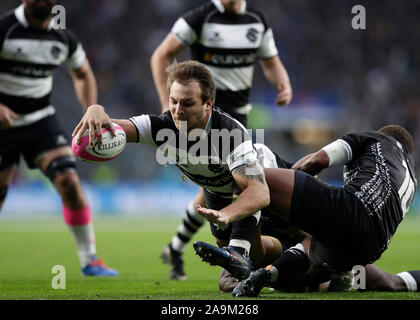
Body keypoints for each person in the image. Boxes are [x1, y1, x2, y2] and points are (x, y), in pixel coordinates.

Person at [73, 60, 272, 281]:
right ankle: (277, 266)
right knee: (240, 275)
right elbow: (117, 128)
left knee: (292, 239)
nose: (177, 111)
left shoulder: (229, 133)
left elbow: (259, 191)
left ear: (208, 103)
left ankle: (294, 257)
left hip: (269, 181)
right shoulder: (161, 126)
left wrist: (227, 214)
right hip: (217, 194)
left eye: (187, 103)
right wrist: (96, 109)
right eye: (173, 101)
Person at [151, 0, 292, 280]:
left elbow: (271, 61)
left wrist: (283, 82)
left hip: (237, 122)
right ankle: (238, 253)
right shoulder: (199, 18)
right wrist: (167, 109)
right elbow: (160, 56)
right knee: (230, 187)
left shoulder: (257, 20)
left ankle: (182, 247)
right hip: (204, 119)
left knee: (228, 187)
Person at [196, 125, 418, 296]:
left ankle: (243, 255)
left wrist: (296, 182)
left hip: (346, 214)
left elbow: (318, 159)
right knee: (383, 281)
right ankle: (310, 276)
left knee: (253, 181)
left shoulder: (375, 139)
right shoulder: (409, 178)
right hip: (367, 248)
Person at [0, 0, 117, 276]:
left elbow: (83, 73)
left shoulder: (63, 37)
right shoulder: (5, 29)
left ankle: (90, 259)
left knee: (68, 180)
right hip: (3, 124)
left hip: (40, 120)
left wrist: (91, 107)